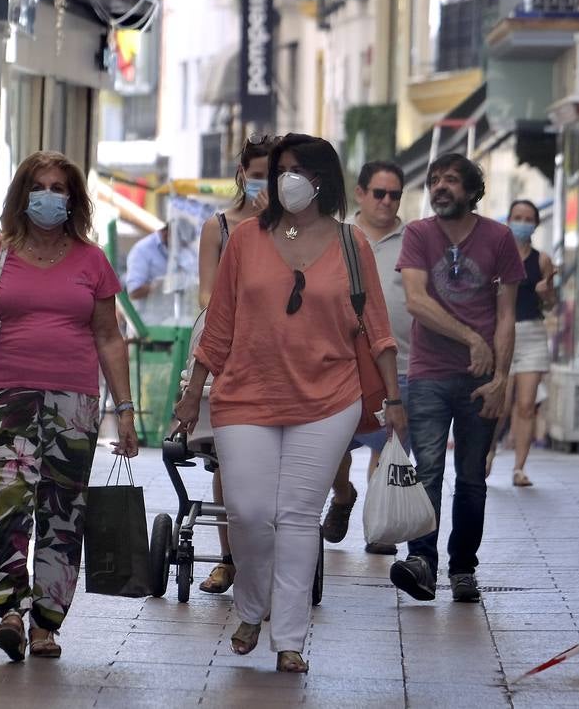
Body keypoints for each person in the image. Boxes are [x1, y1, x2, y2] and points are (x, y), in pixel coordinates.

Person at [172, 134, 405, 674]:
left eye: (297, 169)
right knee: (250, 513)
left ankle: (290, 639)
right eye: (281, 169)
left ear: (323, 177)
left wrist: (393, 399)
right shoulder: (246, 239)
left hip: (329, 398)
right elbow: (221, 321)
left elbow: (377, 328)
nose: (286, 179)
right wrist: (191, 392)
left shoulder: (353, 245)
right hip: (245, 394)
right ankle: (252, 606)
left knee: (297, 516)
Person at [0, 150, 139, 662]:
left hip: (75, 401)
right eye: (39, 185)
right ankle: (10, 611)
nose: (48, 196)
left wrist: (127, 410)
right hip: (6, 396)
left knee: (62, 508)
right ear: (22, 194)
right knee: (11, 499)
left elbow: (109, 337)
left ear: (72, 199)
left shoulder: (92, 260)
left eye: (58, 187)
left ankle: (47, 622)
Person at [388, 152, 524, 605]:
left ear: (471, 191)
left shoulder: (499, 238)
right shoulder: (419, 234)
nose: (440, 187)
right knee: (427, 470)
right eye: (434, 180)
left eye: (451, 180)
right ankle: (421, 562)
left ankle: (463, 567)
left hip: (480, 380)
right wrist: (471, 338)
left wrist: (502, 377)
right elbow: (416, 301)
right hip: (428, 373)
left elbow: (507, 316)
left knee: (471, 478)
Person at [194, 134, 274, 595]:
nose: (261, 181)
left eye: (272, 173)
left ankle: (268, 558)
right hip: (230, 348)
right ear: (242, 173)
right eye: (256, 172)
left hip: (279, 354)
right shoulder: (219, 227)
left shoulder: (294, 229)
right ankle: (227, 558)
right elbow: (207, 294)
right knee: (228, 453)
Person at [323, 159, 411, 555]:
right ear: (360, 194)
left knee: (389, 446)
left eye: (395, 195)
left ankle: (380, 527)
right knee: (333, 448)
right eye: (380, 193)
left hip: (402, 361)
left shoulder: (413, 240)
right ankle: (343, 495)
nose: (387, 201)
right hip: (343, 361)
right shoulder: (336, 237)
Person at [501, 199, 555, 488]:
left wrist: (546, 291)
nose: (522, 222)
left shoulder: (542, 260)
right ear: (508, 220)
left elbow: (551, 303)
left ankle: (519, 468)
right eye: (517, 217)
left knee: (526, 405)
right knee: (499, 403)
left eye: (528, 218)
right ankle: (486, 454)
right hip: (501, 334)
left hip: (532, 333)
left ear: (535, 223)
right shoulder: (496, 256)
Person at [125, 224, 197, 299]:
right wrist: (163, 285)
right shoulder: (142, 250)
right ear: (166, 233)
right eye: (181, 241)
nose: (184, 246)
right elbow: (134, 292)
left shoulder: (185, 249)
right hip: (149, 309)